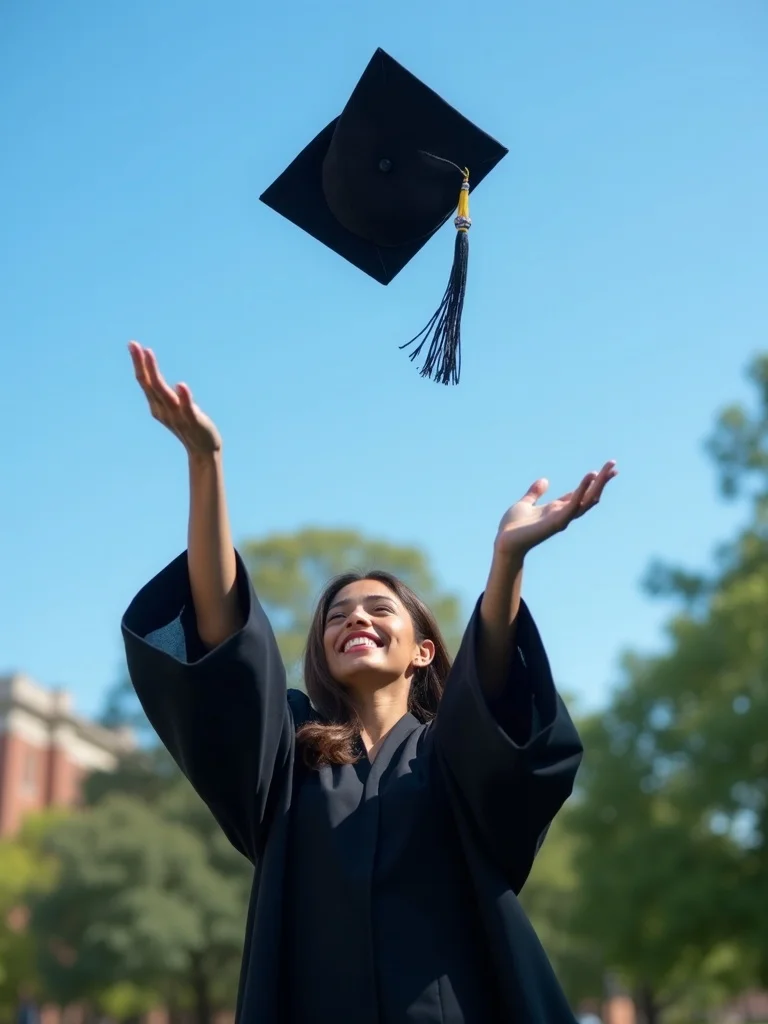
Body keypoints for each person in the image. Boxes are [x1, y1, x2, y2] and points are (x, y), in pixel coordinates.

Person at [122, 340, 617, 1024]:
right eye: (337, 615)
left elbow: (493, 702)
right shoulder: (288, 757)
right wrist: (206, 463)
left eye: (379, 609)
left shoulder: (450, 756)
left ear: (422, 650)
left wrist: (507, 562)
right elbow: (223, 641)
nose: (356, 618)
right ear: (321, 651)